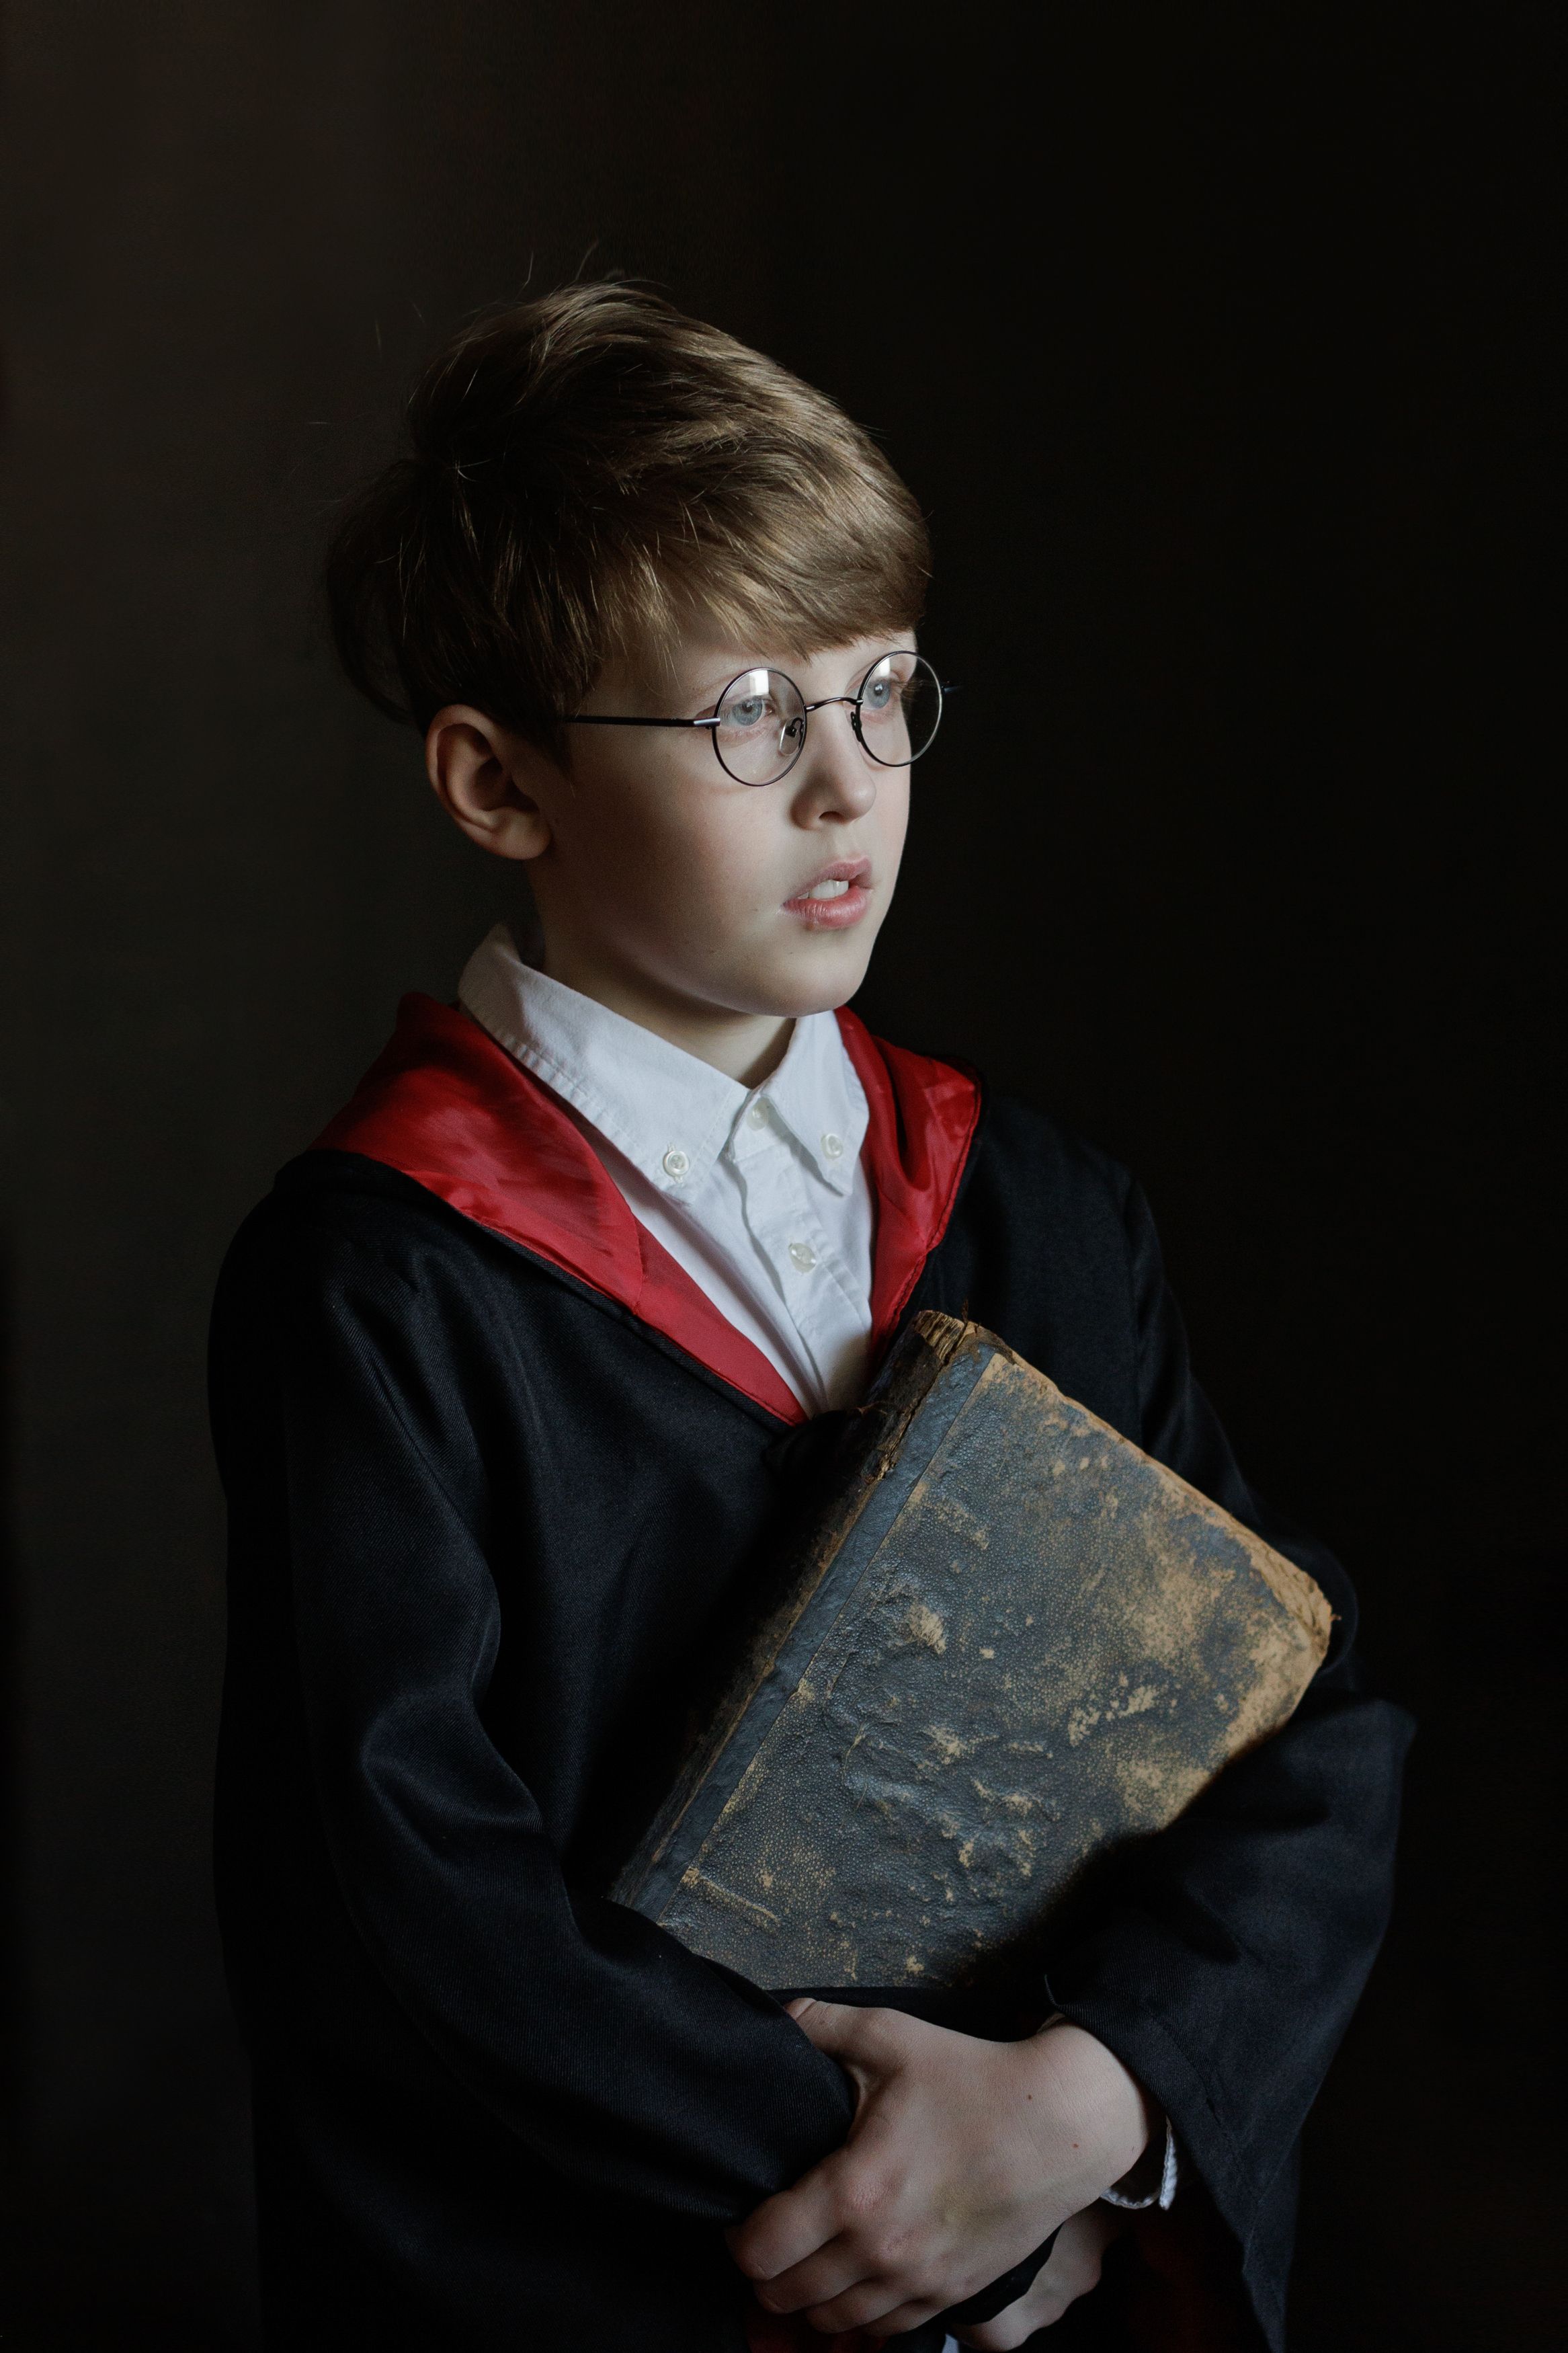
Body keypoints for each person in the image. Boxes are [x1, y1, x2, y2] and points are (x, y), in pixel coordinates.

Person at [209, 282, 1410, 2352]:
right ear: (499, 782)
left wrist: (1094, 2106)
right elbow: (405, 1897)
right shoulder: (389, 1279)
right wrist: (914, 2182)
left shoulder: (1037, 1208)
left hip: (1054, 2256)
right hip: (626, 2285)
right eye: (752, 717)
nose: (850, 786)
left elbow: (1287, 1713)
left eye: (885, 693)